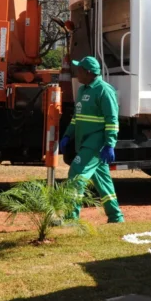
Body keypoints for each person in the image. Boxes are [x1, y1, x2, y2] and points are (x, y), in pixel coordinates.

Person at [59, 56, 124, 223]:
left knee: (76, 173)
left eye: (79, 70)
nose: (76, 73)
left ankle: (70, 218)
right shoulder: (82, 90)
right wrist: (67, 135)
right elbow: (76, 117)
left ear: (88, 73)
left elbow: (112, 120)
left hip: (95, 143)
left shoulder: (104, 90)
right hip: (84, 142)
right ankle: (116, 216)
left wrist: (110, 144)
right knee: (103, 180)